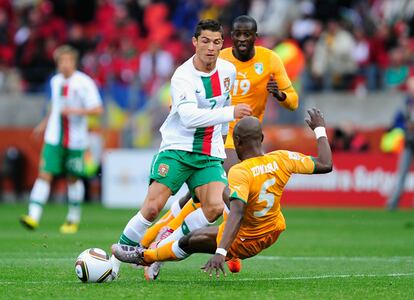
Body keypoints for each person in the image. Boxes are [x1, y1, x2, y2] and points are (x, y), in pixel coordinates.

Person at [139, 15, 299, 279]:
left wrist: (280, 95)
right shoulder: (219, 56)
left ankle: (154, 239)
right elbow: (188, 83)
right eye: (237, 34)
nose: (242, 39)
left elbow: (293, 101)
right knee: (225, 201)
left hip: (249, 143)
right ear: (231, 37)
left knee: (202, 202)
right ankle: (158, 249)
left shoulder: (270, 60)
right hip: (218, 139)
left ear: (255, 37)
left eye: (248, 35)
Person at [111, 108, 332, 278]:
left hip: (245, 240)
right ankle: (224, 253)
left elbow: (237, 213)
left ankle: (146, 256)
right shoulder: (282, 158)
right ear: (262, 139)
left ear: (236, 142)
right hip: (273, 230)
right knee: (221, 196)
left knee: (189, 241)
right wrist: (319, 129)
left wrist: (221, 252)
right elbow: (325, 164)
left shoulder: (240, 171)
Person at [109, 19, 252, 279]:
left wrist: (220, 145)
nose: (211, 47)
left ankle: (159, 250)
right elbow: (189, 117)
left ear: (222, 44)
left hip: (209, 153)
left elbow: (224, 104)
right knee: (153, 207)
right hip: (177, 148)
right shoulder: (183, 76)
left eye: (217, 42)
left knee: (214, 208)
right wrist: (231, 113)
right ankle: (112, 263)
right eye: (206, 41)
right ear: (195, 43)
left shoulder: (228, 72)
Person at [20, 45, 104, 233]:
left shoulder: (85, 83)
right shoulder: (56, 81)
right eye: (61, 61)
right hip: (53, 138)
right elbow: (56, 106)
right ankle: (32, 216)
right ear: (57, 63)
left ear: (74, 62)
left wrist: (75, 111)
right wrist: (43, 124)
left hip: (76, 141)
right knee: (44, 174)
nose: (64, 64)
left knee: (72, 178)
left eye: (68, 60)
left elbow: (98, 109)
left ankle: (72, 219)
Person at [387, 76, 414, 210]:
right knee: (401, 173)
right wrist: (405, 126)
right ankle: (393, 202)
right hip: (409, 143)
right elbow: (396, 122)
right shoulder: (406, 104)